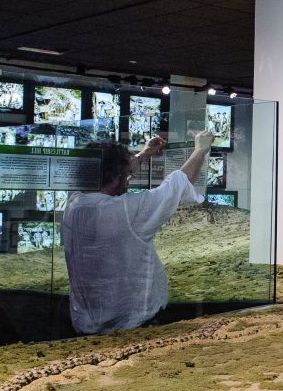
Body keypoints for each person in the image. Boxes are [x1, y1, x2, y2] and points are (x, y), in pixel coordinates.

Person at [62, 130, 215, 334]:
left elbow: (110, 174)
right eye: (125, 176)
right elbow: (177, 185)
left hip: (86, 325)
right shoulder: (124, 211)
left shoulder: (74, 203)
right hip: (131, 326)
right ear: (116, 176)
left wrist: (144, 154)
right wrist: (200, 149)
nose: (128, 180)